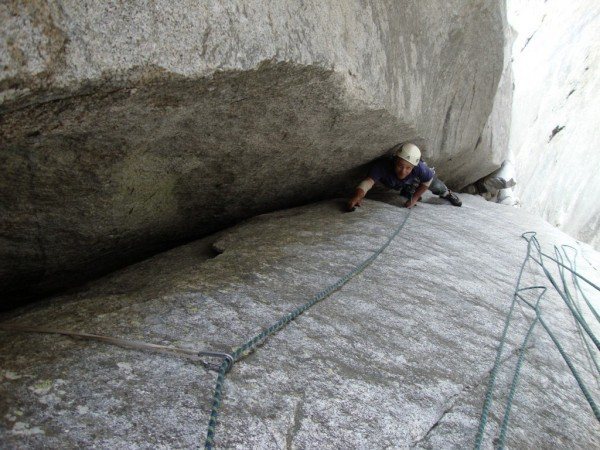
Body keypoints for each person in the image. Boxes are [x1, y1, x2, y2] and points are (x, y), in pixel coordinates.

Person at [347, 143, 462, 210]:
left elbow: (427, 180)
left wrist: (416, 197)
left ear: (414, 166)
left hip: (414, 180)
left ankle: (448, 194)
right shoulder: (383, 166)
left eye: (408, 168)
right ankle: (408, 191)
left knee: (436, 185)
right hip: (403, 183)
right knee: (406, 189)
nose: (403, 171)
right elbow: (368, 182)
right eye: (400, 166)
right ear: (395, 160)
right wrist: (358, 196)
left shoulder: (420, 168)